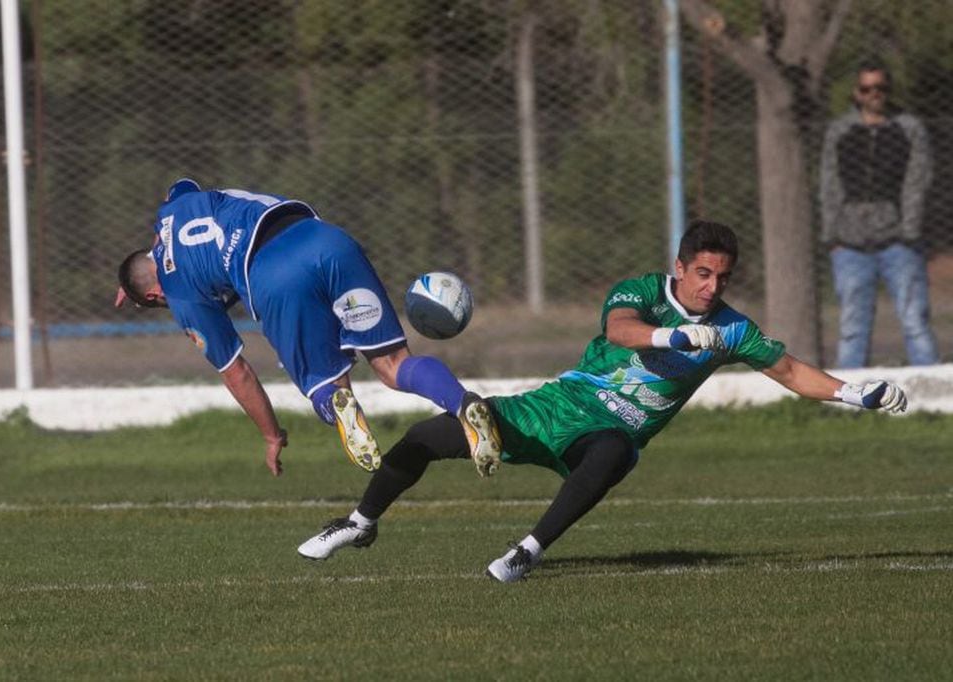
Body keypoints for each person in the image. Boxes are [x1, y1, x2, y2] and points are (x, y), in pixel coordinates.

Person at [297, 221, 909, 583]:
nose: (711, 287)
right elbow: (619, 330)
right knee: (427, 437)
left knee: (617, 450)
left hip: (607, 432)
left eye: (722, 277)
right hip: (558, 407)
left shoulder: (733, 331)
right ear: (679, 266)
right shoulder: (642, 291)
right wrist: (672, 334)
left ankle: (525, 553)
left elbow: (791, 370)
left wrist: (858, 392)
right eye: (701, 273)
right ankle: (359, 523)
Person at [116, 178, 502, 477]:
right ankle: (463, 403)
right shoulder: (174, 207)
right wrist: (145, 262)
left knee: (327, 384)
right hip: (326, 239)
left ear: (152, 297)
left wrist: (271, 435)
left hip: (272, 276)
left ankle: (338, 404)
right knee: (392, 363)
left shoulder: (181, 296)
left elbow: (238, 374)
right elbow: (181, 188)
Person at [819, 56, 939, 368]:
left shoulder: (908, 129)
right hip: (849, 243)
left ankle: (934, 397)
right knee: (852, 327)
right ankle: (850, 400)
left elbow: (918, 180)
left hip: (900, 241)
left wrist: (909, 231)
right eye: (867, 88)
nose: (874, 94)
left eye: (880, 88)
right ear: (856, 93)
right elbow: (829, 184)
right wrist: (832, 236)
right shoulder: (840, 131)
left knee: (915, 321)